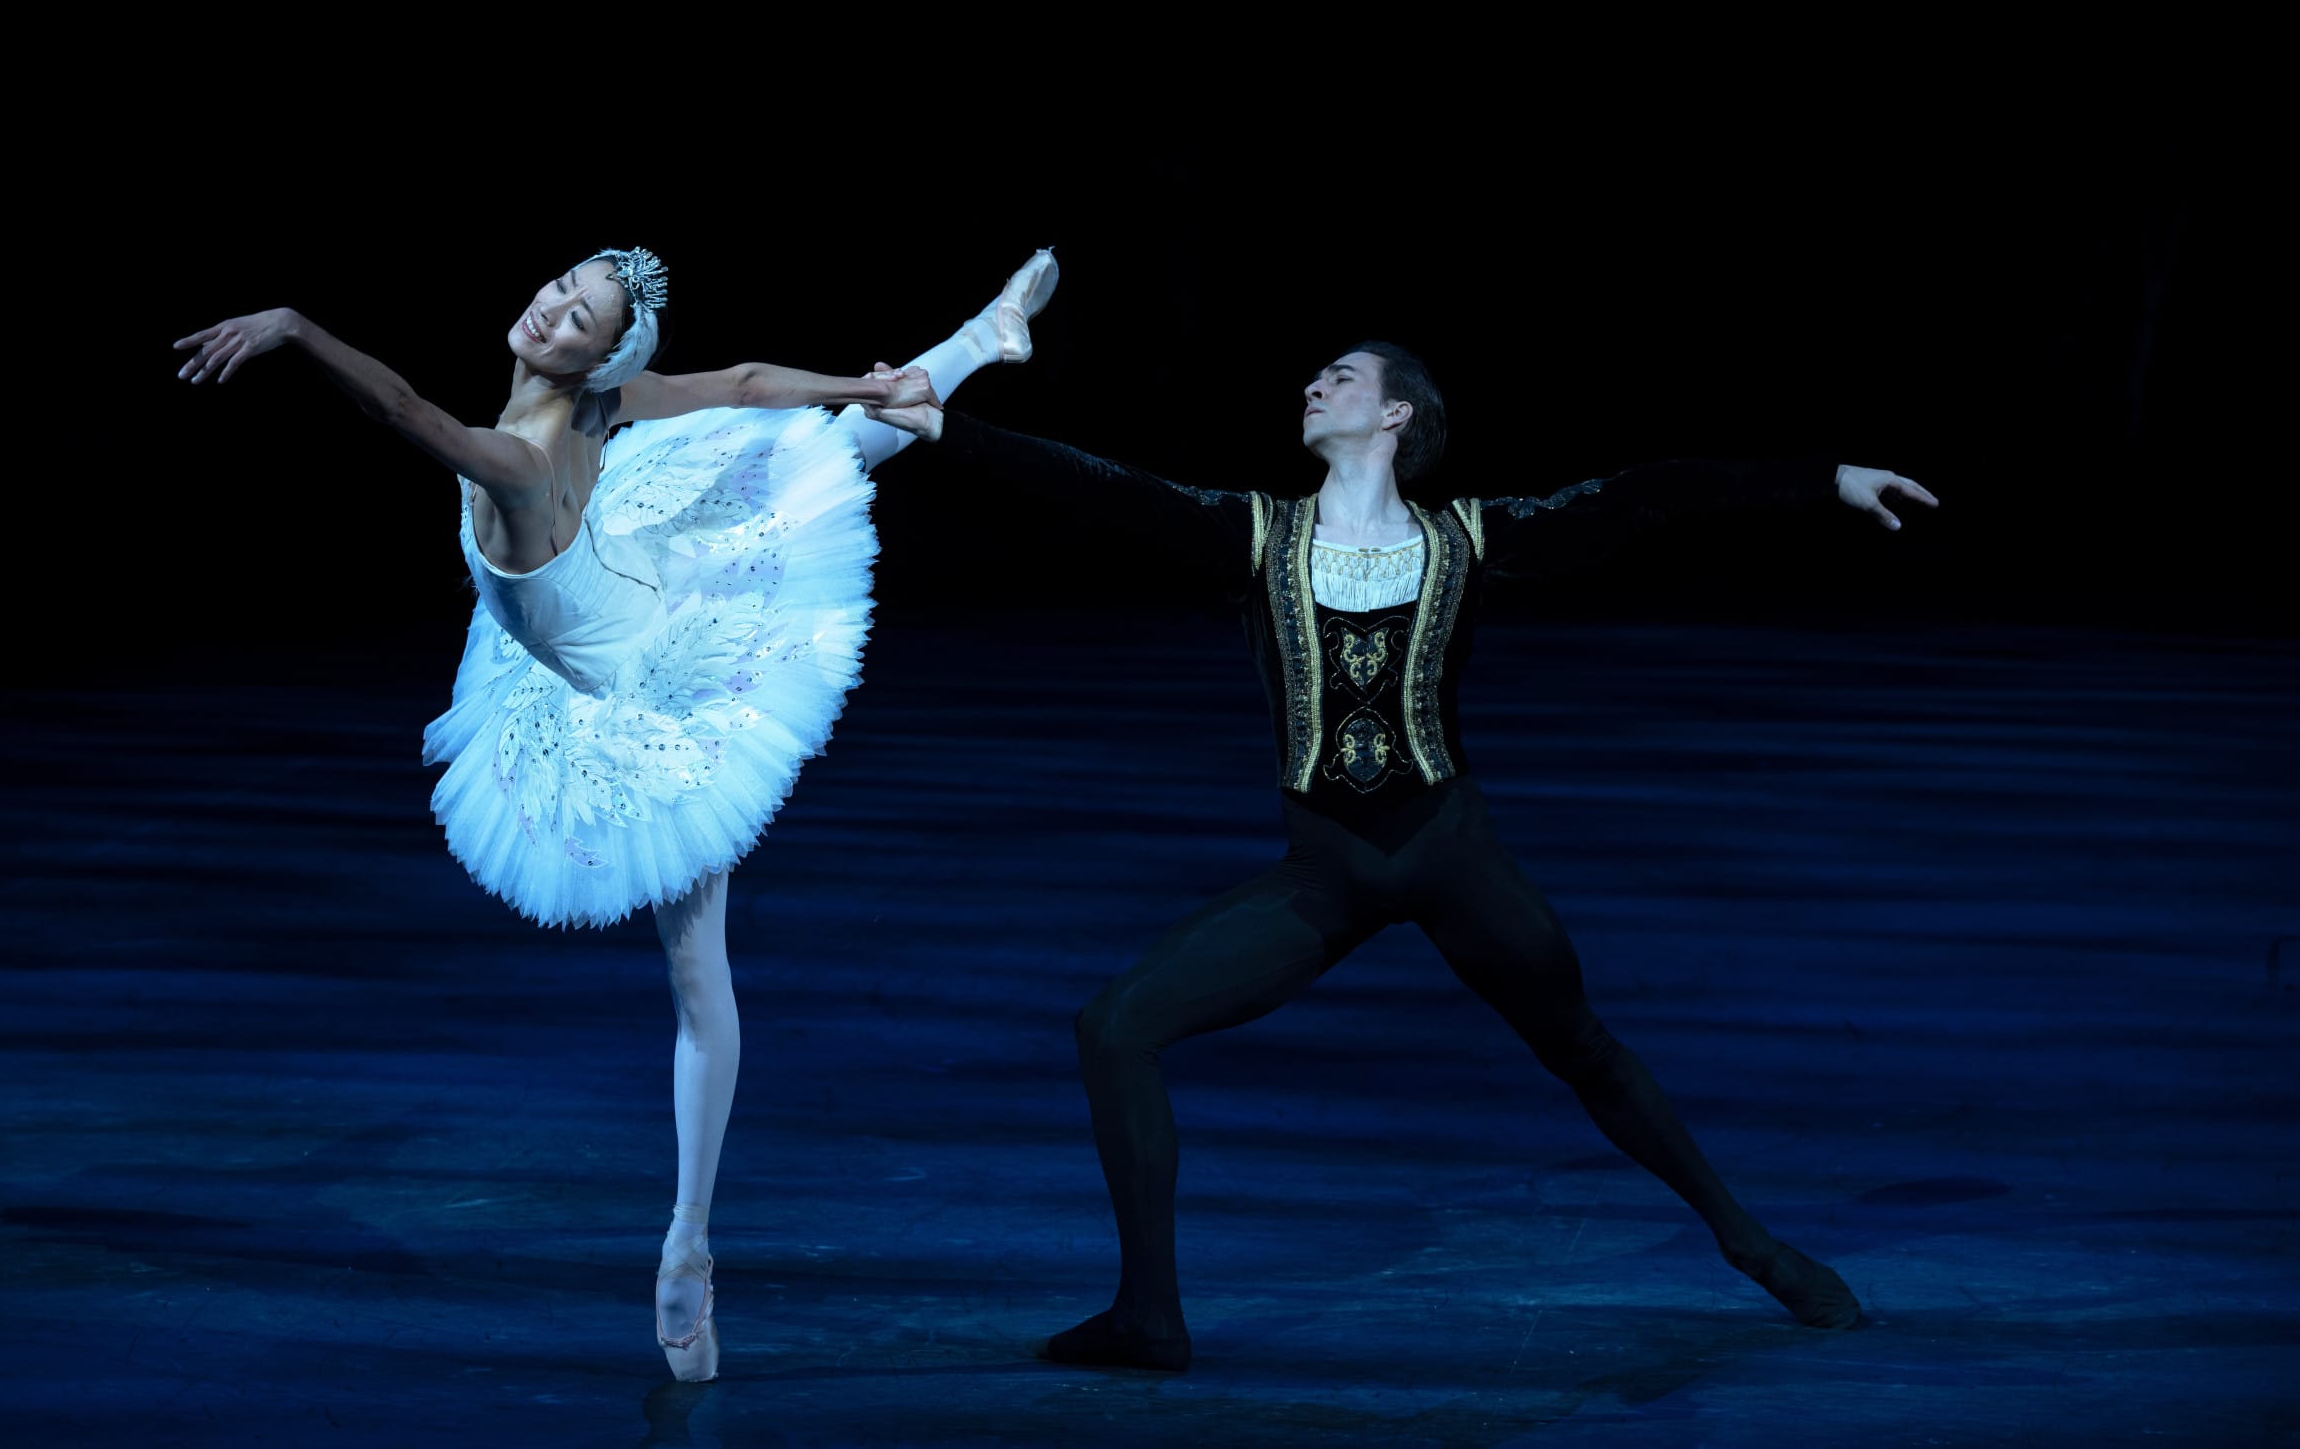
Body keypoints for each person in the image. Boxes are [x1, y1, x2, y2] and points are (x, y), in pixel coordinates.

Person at [879, 338, 1936, 1371]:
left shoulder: (1467, 539)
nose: (1312, 384)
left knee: (1581, 1048)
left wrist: (1826, 478)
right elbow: (1099, 488)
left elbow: (1646, 493)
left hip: (1450, 856)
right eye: (1313, 375)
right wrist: (939, 426)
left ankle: (1750, 1243)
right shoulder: (1258, 534)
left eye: (1340, 377)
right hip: (1325, 875)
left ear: (1396, 415)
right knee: (1113, 1028)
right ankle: (1148, 1317)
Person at [171, 245, 1054, 1381]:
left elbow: (401, 404)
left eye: (577, 314)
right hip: (619, 595)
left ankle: (687, 1247)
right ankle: (966, 353)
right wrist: (858, 383)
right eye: (555, 288)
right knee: (814, 450)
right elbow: (734, 382)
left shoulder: (522, 458)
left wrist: (296, 324)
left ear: (603, 353)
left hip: (652, 683)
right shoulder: (590, 403)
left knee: (699, 980)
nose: (548, 312)